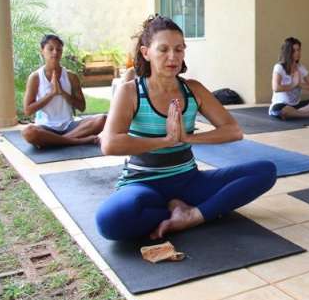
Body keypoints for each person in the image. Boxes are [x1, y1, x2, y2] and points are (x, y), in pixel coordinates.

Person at [96, 15, 276, 241]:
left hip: (189, 181)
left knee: (265, 171)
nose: (173, 57)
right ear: (146, 53)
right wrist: (165, 141)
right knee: (110, 222)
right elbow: (110, 143)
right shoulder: (131, 92)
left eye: (179, 49)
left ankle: (193, 215)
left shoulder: (194, 90)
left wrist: (187, 137)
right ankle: (179, 208)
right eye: (163, 50)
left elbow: (233, 130)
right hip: (142, 183)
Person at [21, 34, 106, 148]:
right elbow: (27, 110)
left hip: (69, 126)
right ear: (42, 51)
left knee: (103, 120)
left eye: (58, 49)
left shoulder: (71, 76)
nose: (55, 52)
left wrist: (62, 93)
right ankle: (77, 141)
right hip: (45, 127)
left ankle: (59, 141)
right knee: (29, 133)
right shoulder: (35, 77)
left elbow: (82, 107)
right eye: (50, 49)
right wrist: (51, 94)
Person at [269, 37, 309, 119]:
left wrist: (300, 84)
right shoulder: (279, 67)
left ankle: (296, 114)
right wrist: (293, 85)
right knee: (284, 110)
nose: (297, 53)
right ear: (288, 52)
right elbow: (276, 88)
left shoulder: (300, 67)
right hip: (281, 105)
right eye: (294, 51)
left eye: (299, 50)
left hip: (297, 106)